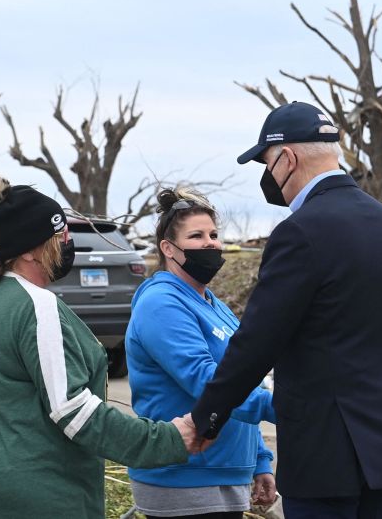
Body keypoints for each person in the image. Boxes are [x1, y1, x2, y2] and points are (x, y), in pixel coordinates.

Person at [184, 102, 382, 519]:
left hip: (325, 453)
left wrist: (206, 418)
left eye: (266, 163)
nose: (268, 176)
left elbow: (258, 342)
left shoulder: (300, 232)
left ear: (287, 158)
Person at [0, 173, 191, 519]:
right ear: (32, 249)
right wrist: (166, 440)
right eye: (60, 234)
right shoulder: (37, 306)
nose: (67, 241)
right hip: (38, 497)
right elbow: (75, 413)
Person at [126, 187, 277, 519]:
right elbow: (206, 380)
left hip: (226, 470)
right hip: (183, 475)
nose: (210, 243)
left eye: (213, 234)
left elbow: (243, 376)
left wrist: (260, 459)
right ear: (169, 248)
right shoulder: (161, 303)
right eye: (196, 236)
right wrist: (284, 406)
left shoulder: (214, 305)